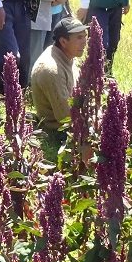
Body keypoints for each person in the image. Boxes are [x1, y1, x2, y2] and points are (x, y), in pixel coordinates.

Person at [30, 16, 88, 158]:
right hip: (59, 133)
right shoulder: (51, 70)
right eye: (79, 37)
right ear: (63, 41)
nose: (85, 42)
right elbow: (66, 117)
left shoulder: (67, 56)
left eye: (85, 36)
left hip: (76, 121)